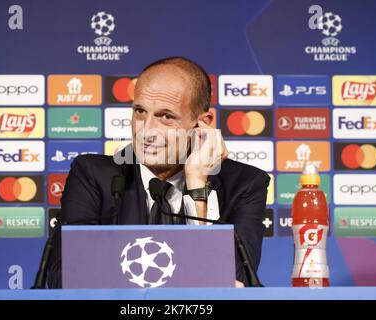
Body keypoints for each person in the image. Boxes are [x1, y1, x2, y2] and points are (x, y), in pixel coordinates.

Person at [46, 56, 270, 288]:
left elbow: (236, 285)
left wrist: (197, 186)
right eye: (140, 111)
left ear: (203, 122)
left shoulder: (245, 184)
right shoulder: (93, 176)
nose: (147, 131)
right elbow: (63, 277)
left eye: (166, 116)